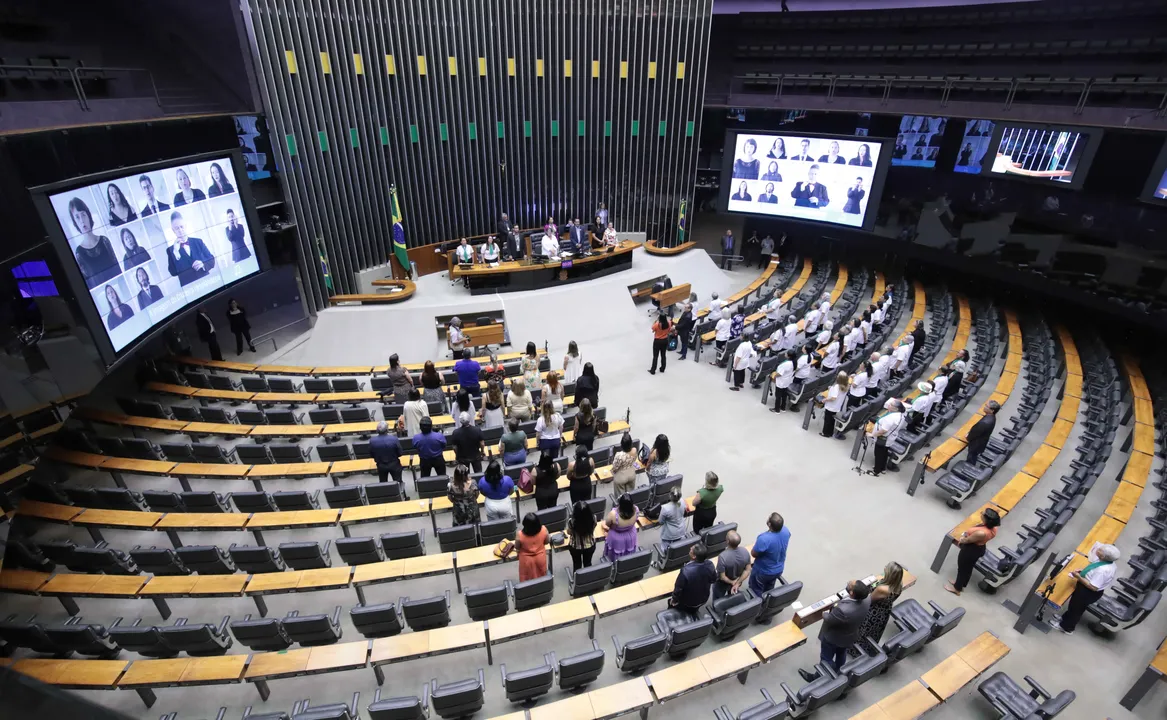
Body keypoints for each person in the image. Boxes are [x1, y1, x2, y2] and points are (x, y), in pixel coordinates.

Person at [801, 580, 871, 677]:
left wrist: (824, 613)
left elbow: (830, 619)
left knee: (826, 659)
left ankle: (818, 677)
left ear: (851, 593)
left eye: (850, 585)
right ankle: (838, 671)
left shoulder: (843, 610)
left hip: (833, 638)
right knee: (841, 654)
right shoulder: (867, 599)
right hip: (850, 635)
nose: (848, 582)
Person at [1052, 543, 1121, 634]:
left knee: (1076, 610)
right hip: (1085, 588)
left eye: (1100, 550)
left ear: (1103, 556)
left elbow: (1093, 587)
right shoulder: (1106, 562)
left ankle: (1066, 627)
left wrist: (1078, 577)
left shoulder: (1103, 570)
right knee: (1073, 606)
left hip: (1087, 592)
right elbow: (1093, 571)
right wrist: (1083, 572)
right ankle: (1065, 618)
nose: (1098, 549)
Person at [850, 562, 905, 657]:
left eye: (887, 568)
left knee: (863, 632)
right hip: (884, 613)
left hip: (872, 613)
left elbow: (869, 600)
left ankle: (856, 653)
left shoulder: (882, 589)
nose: (884, 567)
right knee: (872, 634)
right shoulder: (898, 586)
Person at [946, 506, 1001, 595]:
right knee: (968, 568)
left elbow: (967, 540)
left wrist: (962, 538)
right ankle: (961, 584)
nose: (981, 513)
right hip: (979, 548)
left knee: (962, 569)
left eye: (983, 514)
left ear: (986, 519)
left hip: (971, 550)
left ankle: (957, 589)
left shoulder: (981, 533)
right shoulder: (993, 528)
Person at [67, 197, 119, 289]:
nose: (82, 220)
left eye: (83, 214)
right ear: (75, 223)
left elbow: (118, 268)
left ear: (88, 216)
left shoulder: (104, 240)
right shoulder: (79, 253)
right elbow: (89, 285)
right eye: (77, 217)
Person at [167, 211, 215, 286]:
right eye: (177, 228)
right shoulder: (171, 250)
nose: (180, 230)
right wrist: (175, 252)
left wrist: (203, 264)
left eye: (181, 226)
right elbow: (173, 272)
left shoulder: (198, 241)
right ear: (173, 230)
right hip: (190, 289)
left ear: (185, 226)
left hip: (206, 283)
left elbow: (212, 260)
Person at [749, 513, 791, 597]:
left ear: (769, 524)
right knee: (769, 588)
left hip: (763, 571)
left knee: (756, 590)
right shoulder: (785, 531)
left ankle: (757, 605)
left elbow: (753, 554)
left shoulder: (764, 539)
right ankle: (768, 603)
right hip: (779, 569)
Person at [670, 542, 717, 616]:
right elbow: (714, 579)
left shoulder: (685, 571)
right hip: (703, 598)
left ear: (694, 556)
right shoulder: (710, 565)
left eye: (691, 550)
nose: (690, 548)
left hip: (688, 602)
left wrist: (674, 599)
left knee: (672, 604)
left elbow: (678, 589)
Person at [869, 400, 906, 476]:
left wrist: (872, 435)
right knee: (884, 453)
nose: (888, 405)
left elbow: (883, 431)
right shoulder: (900, 415)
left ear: (896, 409)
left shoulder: (891, 418)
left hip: (883, 438)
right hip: (890, 438)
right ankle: (882, 468)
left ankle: (876, 471)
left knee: (878, 454)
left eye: (891, 405)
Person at [714, 531, 752, 600]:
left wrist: (732, 582)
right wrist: (737, 583)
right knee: (732, 594)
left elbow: (722, 577)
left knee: (718, 598)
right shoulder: (745, 551)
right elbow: (747, 570)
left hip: (722, 584)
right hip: (737, 578)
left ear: (727, 541)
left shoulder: (722, 556)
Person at [603, 493, 640, 562]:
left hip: (617, 538)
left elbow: (607, 524)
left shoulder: (613, 514)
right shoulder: (636, 510)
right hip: (630, 536)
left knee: (615, 557)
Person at [369, 420, 404, 484]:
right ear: (387, 430)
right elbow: (400, 453)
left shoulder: (372, 441)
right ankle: (400, 493)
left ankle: (385, 493)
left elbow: (371, 454)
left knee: (383, 483)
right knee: (398, 482)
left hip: (381, 466)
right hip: (394, 464)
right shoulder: (394, 439)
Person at [516, 513, 549, 582]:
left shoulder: (520, 535)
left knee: (526, 581)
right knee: (541, 578)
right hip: (540, 557)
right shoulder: (544, 530)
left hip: (526, 561)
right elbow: (546, 542)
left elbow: (517, 547)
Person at [565, 501, 597, 570]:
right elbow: (593, 528)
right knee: (588, 563)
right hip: (590, 545)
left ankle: (578, 580)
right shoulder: (594, 518)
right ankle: (588, 579)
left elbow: (570, 532)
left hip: (575, 547)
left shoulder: (571, 521)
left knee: (577, 565)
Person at [966, 400, 999, 464]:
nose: (984, 407)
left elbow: (975, 433)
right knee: (972, 456)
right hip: (981, 442)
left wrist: (968, 437)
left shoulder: (985, 422)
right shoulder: (991, 417)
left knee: (971, 458)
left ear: (992, 410)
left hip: (976, 444)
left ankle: (969, 467)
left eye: (987, 406)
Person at [821, 371, 849, 438]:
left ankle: (825, 433)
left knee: (827, 420)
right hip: (836, 406)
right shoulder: (846, 386)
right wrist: (831, 388)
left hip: (831, 406)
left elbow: (833, 398)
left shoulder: (837, 386)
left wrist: (825, 400)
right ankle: (830, 432)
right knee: (832, 420)